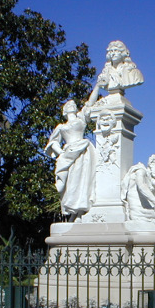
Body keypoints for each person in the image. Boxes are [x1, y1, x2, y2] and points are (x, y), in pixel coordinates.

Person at [45, 83, 102, 222]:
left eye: (73, 104)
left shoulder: (81, 118)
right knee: (71, 183)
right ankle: (73, 213)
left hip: (83, 151)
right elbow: (52, 142)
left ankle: (80, 213)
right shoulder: (61, 127)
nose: (71, 105)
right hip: (69, 153)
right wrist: (61, 153)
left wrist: (98, 86)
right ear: (64, 111)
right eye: (67, 105)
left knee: (83, 180)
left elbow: (90, 102)